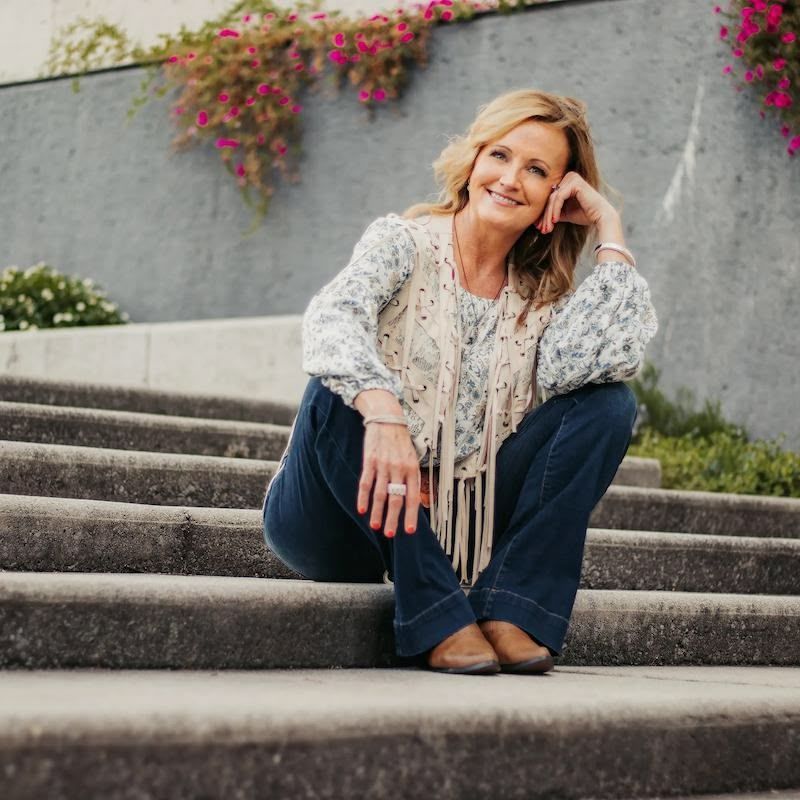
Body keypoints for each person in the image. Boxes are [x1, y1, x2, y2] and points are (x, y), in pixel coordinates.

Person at [262, 88, 657, 675]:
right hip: (339, 514)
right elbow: (332, 318)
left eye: (536, 169)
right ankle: (440, 617)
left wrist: (609, 227)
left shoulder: (541, 299)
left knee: (608, 407)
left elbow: (607, 361)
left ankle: (512, 610)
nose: (510, 178)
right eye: (499, 155)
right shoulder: (403, 243)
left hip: (460, 515)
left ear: (558, 193)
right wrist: (386, 417)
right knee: (334, 392)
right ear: (473, 162)